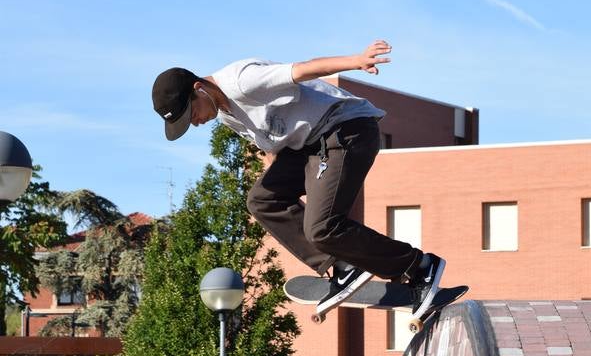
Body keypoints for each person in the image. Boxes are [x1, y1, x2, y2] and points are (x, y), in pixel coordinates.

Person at [152, 40, 445, 316]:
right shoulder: (226, 114)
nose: (196, 121)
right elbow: (273, 151)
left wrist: (356, 61)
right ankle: (342, 265)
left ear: (199, 88)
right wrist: (281, 188)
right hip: (309, 147)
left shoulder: (242, 81)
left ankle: (420, 266)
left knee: (321, 227)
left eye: (192, 114)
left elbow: (305, 69)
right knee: (261, 200)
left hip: (346, 130)